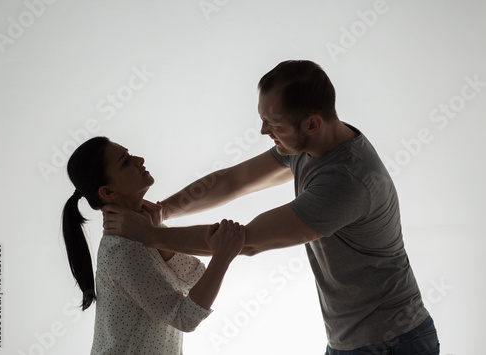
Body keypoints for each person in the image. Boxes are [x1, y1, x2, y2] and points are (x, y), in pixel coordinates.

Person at [103, 60, 440, 354]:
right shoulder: (310, 146)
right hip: (351, 341)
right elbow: (232, 181)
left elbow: (246, 242)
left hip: (392, 342)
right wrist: (164, 210)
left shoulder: (346, 181)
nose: (264, 131)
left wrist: (149, 235)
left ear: (312, 123)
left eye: (273, 124)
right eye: (262, 119)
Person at [61, 136, 245, 354]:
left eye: (130, 154)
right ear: (108, 192)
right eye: (125, 161)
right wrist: (222, 257)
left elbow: (194, 279)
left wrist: (158, 235)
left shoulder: (142, 235)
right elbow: (184, 317)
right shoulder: (122, 251)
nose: (139, 159)